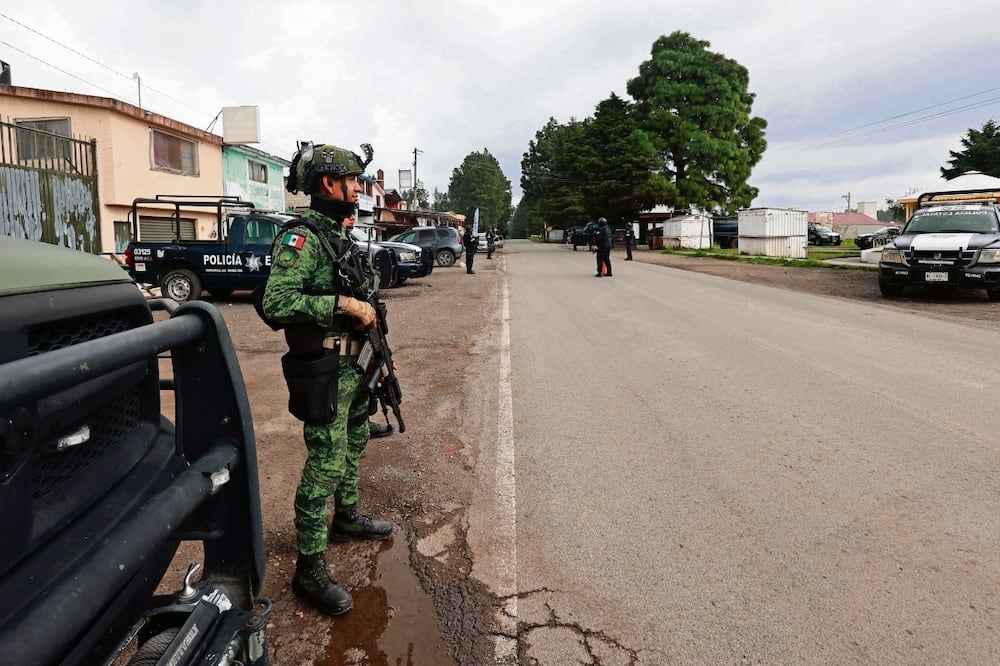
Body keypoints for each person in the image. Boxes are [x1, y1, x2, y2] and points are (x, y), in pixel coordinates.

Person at [262, 141, 394, 617]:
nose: (358, 188)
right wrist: (340, 306)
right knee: (325, 462)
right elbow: (275, 303)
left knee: (356, 439)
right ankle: (309, 567)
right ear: (327, 184)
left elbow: (367, 301)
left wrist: (381, 356)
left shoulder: (339, 234)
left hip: (356, 368)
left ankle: (348, 518)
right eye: (352, 180)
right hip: (326, 370)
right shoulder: (302, 240)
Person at [342, 211, 394, 440]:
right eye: (346, 216)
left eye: (352, 215)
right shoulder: (327, 244)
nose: (351, 218)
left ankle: (362, 422)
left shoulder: (350, 244)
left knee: (372, 369)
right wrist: (348, 305)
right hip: (340, 334)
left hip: (364, 324)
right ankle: (351, 429)